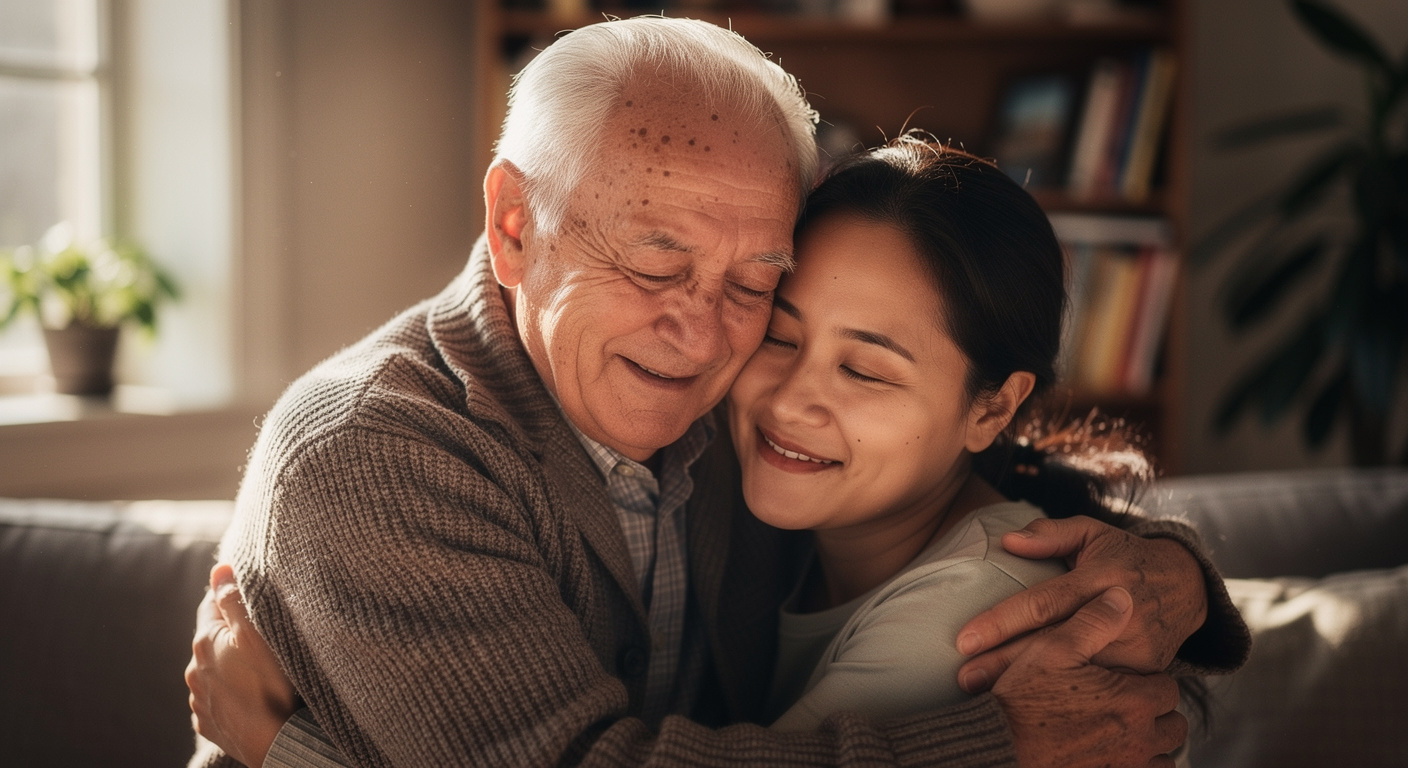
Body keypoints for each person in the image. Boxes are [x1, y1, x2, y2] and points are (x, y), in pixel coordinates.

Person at [186, 17, 1249, 768]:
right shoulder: (372, 453)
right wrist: (994, 749)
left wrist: (1168, 572)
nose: (702, 335)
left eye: (755, 284)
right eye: (654, 264)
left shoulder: (726, 424)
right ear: (515, 226)